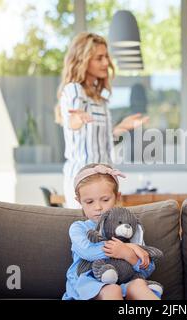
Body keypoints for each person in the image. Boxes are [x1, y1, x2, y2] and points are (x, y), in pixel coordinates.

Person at [55, 32, 149, 208]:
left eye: (106, 56)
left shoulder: (100, 98)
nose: (106, 62)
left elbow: (102, 142)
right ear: (83, 60)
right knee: (86, 233)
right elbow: (72, 123)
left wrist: (121, 128)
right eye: (99, 58)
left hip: (105, 181)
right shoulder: (75, 90)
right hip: (82, 181)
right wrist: (76, 118)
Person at [62, 163, 161, 300]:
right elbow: (88, 251)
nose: (98, 207)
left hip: (122, 282)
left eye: (105, 200)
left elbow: (147, 269)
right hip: (87, 286)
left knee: (138, 284)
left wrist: (129, 256)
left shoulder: (127, 227)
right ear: (79, 201)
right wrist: (129, 247)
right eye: (89, 202)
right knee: (112, 290)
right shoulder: (79, 228)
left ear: (117, 197)